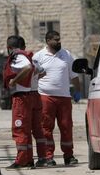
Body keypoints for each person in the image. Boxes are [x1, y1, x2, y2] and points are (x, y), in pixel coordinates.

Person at [33, 31, 81, 166]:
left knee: (66, 127)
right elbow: (32, 76)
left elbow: (74, 75)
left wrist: (77, 91)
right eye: (56, 40)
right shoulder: (39, 56)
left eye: (59, 40)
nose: (59, 42)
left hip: (64, 98)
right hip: (45, 97)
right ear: (48, 41)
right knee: (46, 128)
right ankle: (48, 157)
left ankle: (69, 156)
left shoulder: (66, 54)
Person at [3, 35, 35, 170]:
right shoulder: (25, 55)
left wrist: (14, 81)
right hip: (26, 96)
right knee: (25, 130)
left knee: (19, 129)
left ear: (9, 48)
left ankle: (21, 160)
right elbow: (39, 71)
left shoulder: (17, 56)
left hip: (21, 98)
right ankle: (27, 159)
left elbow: (28, 68)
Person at [17, 36, 48, 167]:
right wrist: (35, 79)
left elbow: (25, 71)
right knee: (38, 129)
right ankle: (42, 157)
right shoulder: (33, 60)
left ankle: (27, 159)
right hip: (36, 94)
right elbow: (43, 72)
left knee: (25, 128)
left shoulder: (19, 59)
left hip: (26, 95)